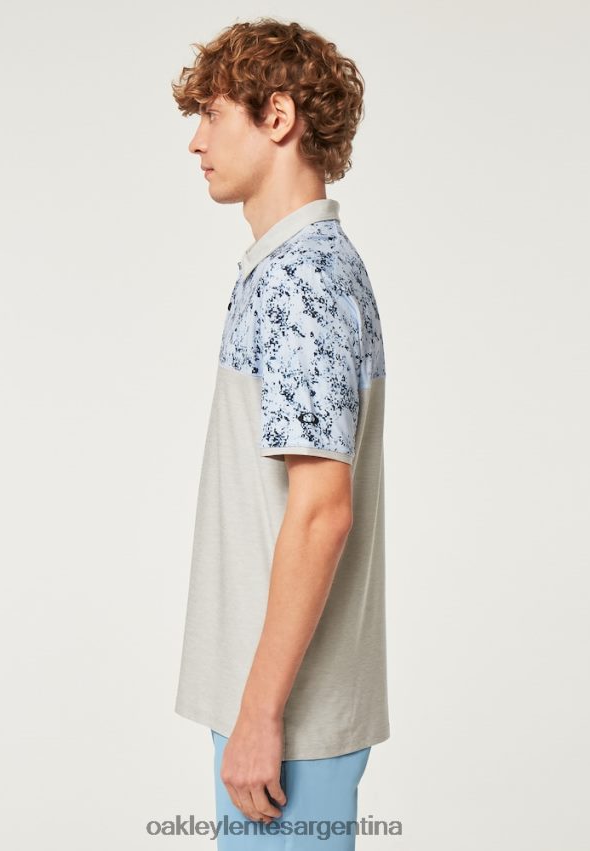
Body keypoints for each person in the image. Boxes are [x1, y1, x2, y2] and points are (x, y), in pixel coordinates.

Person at [170, 17, 389, 849]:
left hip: (285, 721)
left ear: (277, 117)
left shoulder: (304, 279)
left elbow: (322, 510)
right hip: (272, 710)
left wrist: (261, 713)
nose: (195, 142)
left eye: (212, 114)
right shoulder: (287, 268)